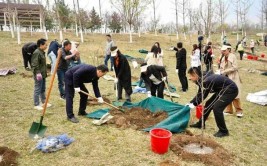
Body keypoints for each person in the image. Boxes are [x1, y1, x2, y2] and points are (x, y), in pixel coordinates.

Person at [187, 67, 238, 137]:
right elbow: (199, 93)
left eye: (190, 76)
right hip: (221, 90)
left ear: (195, 75)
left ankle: (224, 131)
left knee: (217, 108)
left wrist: (194, 104)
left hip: (230, 90)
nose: (189, 78)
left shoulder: (206, 81)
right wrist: (191, 102)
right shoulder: (201, 79)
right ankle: (201, 124)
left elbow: (203, 95)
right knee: (208, 104)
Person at [220, 45, 243, 118]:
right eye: (222, 51)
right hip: (226, 78)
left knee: (235, 95)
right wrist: (221, 71)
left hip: (233, 77)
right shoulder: (223, 58)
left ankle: (239, 111)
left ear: (228, 50)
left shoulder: (232, 56)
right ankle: (229, 110)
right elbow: (221, 67)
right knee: (227, 94)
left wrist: (225, 71)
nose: (223, 52)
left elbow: (235, 67)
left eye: (224, 51)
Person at [31, 38, 51, 110]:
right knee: (38, 88)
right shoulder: (37, 52)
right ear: (41, 45)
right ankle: (36, 104)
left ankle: (43, 102)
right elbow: (34, 64)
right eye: (46, 45)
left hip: (43, 74)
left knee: (42, 88)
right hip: (38, 74)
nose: (46, 46)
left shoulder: (42, 52)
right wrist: (38, 73)